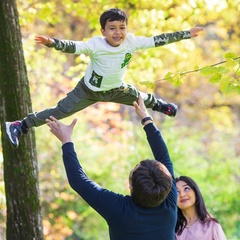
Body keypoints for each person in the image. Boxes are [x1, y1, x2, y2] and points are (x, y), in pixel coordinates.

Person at [5, 8, 203, 148]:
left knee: (138, 98)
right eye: (112, 28)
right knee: (61, 110)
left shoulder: (132, 42)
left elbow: (158, 40)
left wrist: (186, 34)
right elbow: (75, 46)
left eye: (122, 27)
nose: (118, 32)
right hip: (87, 91)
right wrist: (53, 43)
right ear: (103, 31)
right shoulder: (96, 45)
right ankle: (20, 125)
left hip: (116, 89)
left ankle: (159, 104)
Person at [45, 96, 177, 240]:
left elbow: (79, 181)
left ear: (130, 185)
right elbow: (79, 181)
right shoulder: (169, 203)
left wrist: (66, 139)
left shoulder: (119, 210)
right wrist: (146, 119)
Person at [175, 176, 227, 240]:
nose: (182, 195)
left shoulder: (211, 225)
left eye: (186, 189)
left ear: (195, 192)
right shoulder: (171, 227)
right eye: (177, 192)